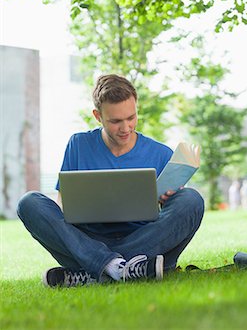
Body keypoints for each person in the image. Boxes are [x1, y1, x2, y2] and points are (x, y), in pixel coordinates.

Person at [17, 74, 204, 288]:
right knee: (29, 203)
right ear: (98, 116)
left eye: (131, 118)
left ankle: (95, 270)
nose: (125, 128)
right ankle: (130, 268)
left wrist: (167, 200)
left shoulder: (161, 153)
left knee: (191, 199)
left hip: (146, 240)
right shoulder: (78, 144)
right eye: (115, 121)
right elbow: (63, 207)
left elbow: (171, 216)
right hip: (90, 241)